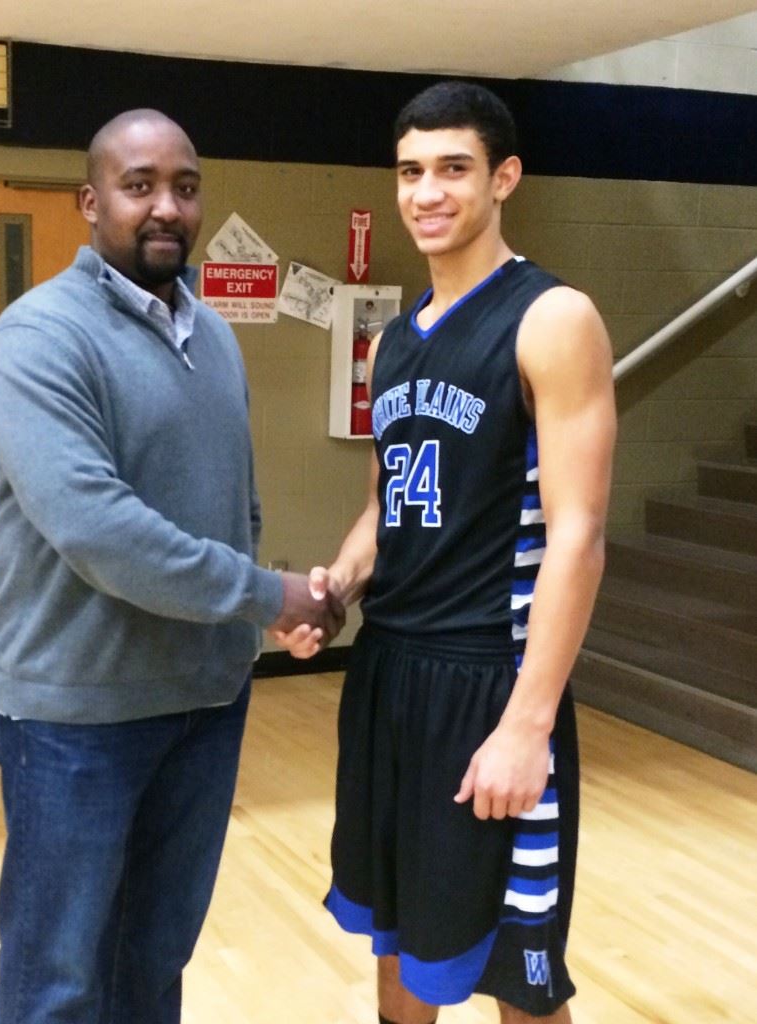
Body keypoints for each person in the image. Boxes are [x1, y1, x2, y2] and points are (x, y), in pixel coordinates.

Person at [0, 108, 344, 1024]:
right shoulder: (39, 338)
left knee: (155, 961)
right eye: (139, 186)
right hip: (75, 717)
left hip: (204, 707)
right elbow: (99, 530)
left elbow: (236, 498)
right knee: (57, 978)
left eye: (184, 186)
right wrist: (267, 597)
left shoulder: (213, 335)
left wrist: (268, 612)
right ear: (90, 200)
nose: (166, 207)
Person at [276, 81, 616, 1023]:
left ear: (504, 178)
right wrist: (335, 588)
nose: (427, 192)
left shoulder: (552, 319)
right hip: (388, 671)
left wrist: (527, 724)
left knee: (518, 972)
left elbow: (579, 536)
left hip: (490, 680)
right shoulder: (392, 344)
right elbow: (392, 495)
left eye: (453, 169)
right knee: (396, 940)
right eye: (410, 172)